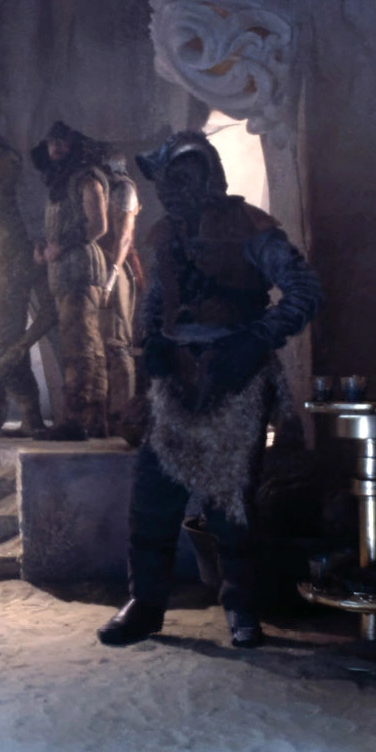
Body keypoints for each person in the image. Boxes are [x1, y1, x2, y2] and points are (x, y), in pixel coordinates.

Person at [97, 131, 321, 649]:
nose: (174, 190)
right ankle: (145, 604)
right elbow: (158, 299)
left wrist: (254, 340)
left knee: (232, 503)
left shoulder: (252, 228)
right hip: (175, 381)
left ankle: (242, 607)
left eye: (184, 178)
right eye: (168, 181)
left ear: (209, 177)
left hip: (235, 380)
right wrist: (154, 341)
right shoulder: (164, 234)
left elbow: (305, 291)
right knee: (153, 497)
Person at [30, 122, 111, 440]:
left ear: (73, 145)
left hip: (80, 272)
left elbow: (98, 226)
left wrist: (61, 246)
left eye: (62, 142)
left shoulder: (87, 180)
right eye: (52, 142)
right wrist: (43, 247)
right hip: (63, 274)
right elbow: (57, 227)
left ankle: (75, 421)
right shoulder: (60, 182)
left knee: (80, 347)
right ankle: (94, 420)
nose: (56, 148)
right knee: (85, 345)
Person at [98, 159, 144, 441]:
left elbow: (124, 237)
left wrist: (111, 276)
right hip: (98, 269)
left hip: (116, 270)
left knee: (117, 344)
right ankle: (102, 417)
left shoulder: (123, 189)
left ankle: (122, 416)